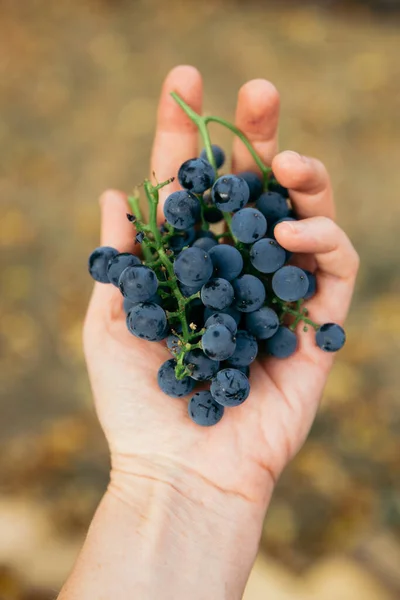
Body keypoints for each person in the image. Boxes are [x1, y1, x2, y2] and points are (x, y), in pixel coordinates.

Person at [58, 65, 359, 599]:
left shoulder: (220, 298)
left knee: (269, 231)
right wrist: (170, 481)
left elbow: (239, 298)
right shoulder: (188, 319)